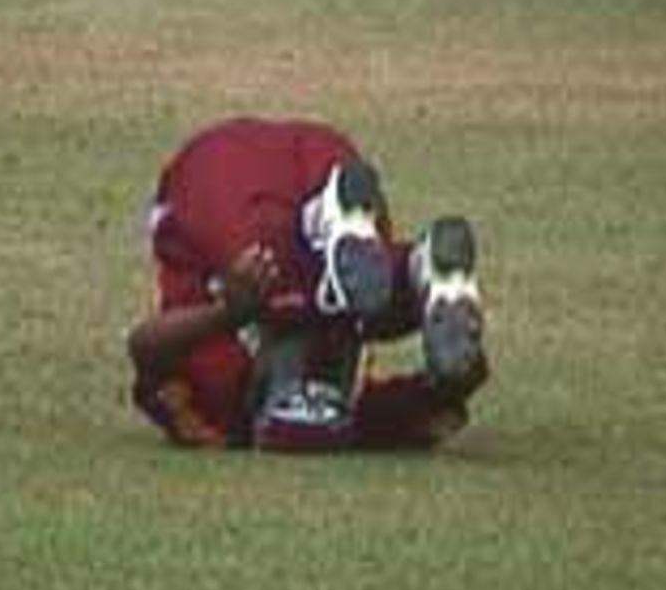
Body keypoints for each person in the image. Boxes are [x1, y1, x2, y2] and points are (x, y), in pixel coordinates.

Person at [127, 115, 489, 453]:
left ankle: (365, 242)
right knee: (347, 304)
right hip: (325, 168)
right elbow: (417, 410)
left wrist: (227, 313)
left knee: (263, 269)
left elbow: (145, 348)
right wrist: (451, 383)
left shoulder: (220, 411)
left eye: (295, 387)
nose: (308, 379)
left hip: (222, 170)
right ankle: (416, 272)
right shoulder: (352, 418)